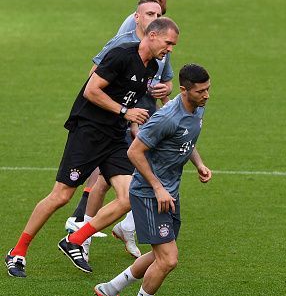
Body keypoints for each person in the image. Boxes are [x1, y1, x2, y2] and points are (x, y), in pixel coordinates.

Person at [4, 17, 179, 278]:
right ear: (152, 36)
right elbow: (91, 91)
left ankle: (75, 239)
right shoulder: (120, 55)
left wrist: (136, 125)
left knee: (127, 197)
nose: (170, 49)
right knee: (61, 196)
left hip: (114, 138)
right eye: (169, 42)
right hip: (88, 133)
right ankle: (17, 252)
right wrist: (125, 112)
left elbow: (130, 102)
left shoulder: (151, 66)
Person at [94, 64, 212, 296]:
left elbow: (187, 140)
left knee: (159, 255)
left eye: (208, 89)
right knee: (168, 259)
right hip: (150, 194)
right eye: (200, 91)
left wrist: (199, 164)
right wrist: (158, 187)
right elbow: (135, 152)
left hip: (169, 192)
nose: (206, 95)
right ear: (184, 90)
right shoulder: (167, 117)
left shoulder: (198, 108)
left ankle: (109, 290)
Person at [65, 0, 171, 258]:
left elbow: (164, 78)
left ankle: (87, 232)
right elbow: (97, 75)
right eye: (152, 12)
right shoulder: (130, 35)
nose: (155, 15)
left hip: (138, 114)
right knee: (103, 179)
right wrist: (112, 109)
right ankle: (80, 232)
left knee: (117, 178)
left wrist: (165, 91)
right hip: (122, 115)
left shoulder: (163, 35)